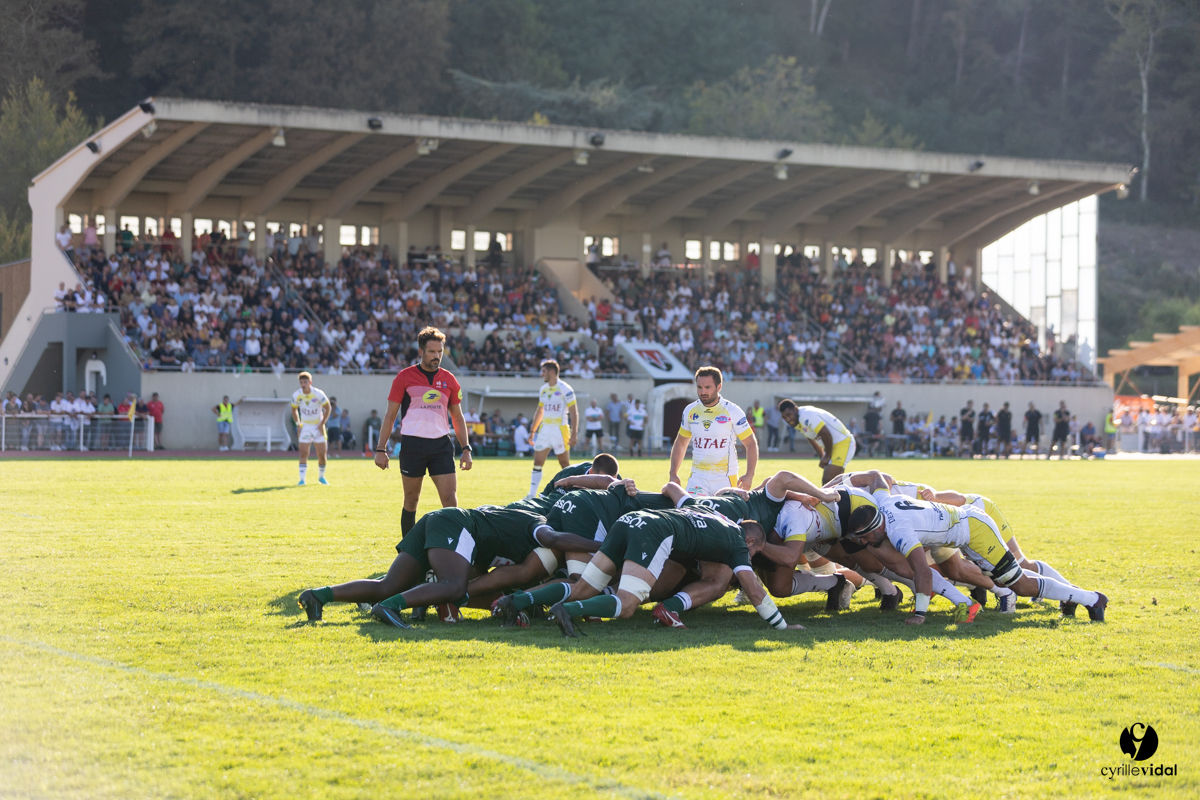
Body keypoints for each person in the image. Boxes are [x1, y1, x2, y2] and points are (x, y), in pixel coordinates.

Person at [503, 483, 806, 637]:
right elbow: (754, 591)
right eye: (754, 552)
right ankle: (568, 611)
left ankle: (516, 601)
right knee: (626, 604)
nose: (751, 558)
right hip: (654, 532)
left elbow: (674, 491)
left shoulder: (707, 508)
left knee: (584, 585)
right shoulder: (739, 544)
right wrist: (781, 626)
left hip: (631, 520)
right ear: (750, 541)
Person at [849, 478, 1108, 623]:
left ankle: (1093, 599)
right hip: (967, 528)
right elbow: (875, 476)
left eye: (864, 537)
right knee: (1012, 579)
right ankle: (1081, 598)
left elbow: (922, 573)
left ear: (874, 528)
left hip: (974, 531)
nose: (863, 542)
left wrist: (920, 614)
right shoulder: (883, 501)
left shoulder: (898, 532)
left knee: (1022, 585)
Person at [375, 327, 472, 536]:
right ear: (421, 351)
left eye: (440, 351)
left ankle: (455, 548)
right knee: (411, 500)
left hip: (441, 445)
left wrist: (466, 449)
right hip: (413, 446)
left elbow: (457, 416)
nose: (437, 356)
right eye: (432, 351)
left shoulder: (450, 380)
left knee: (450, 501)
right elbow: (390, 415)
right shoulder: (404, 377)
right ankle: (408, 554)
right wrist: (380, 449)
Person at [669, 366, 757, 496]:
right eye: (699, 387)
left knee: (724, 516)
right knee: (692, 514)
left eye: (707, 387)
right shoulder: (690, 410)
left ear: (719, 387)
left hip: (725, 479)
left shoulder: (733, 411)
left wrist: (749, 475)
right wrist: (673, 474)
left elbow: (750, 443)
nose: (702, 391)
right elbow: (681, 443)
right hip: (697, 478)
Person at [525, 359, 578, 500]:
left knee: (565, 464)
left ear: (552, 372)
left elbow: (574, 412)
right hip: (545, 430)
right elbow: (539, 412)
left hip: (560, 431)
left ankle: (573, 494)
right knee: (537, 462)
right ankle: (531, 495)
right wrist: (532, 431)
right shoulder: (543, 390)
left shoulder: (565, 389)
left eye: (544, 371)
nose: (542, 374)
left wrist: (574, 434)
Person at [778, 400, 854, 484]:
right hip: (835, 445)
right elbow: (811, 439)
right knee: (835, 483)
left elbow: (826, 434)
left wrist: (827, 456)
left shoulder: (806, 416)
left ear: (795, 409)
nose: (788, 419)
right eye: (784, 417)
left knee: (828, 480)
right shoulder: (796, 420)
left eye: (788, 415)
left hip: (843, 443)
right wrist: (822, 457)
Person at [291, 372, 331, 485]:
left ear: (310, 382)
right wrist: (298, 424)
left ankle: (321, 477)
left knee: (322, 455)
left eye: (305, 382)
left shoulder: (318, 394)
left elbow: (328, 408)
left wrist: (322, 423)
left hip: (318, 426)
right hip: (306, 426)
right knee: (303, 453)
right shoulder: (297, 395)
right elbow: (293, 409)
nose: (303, 384)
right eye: (301, 382)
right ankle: (302, 480)